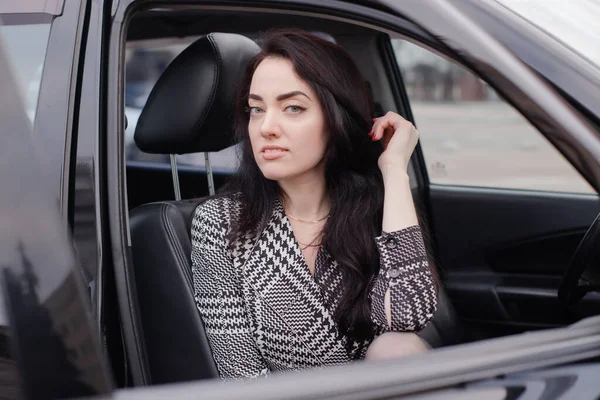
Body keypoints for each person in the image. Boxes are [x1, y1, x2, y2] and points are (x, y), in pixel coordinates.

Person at [191, 29, 438, 380]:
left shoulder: (375, 205)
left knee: (397, 348)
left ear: (336, 117)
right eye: (256, 109)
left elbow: (406, 318)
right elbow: (242, 375)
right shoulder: (222, 222)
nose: (266, 127)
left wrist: (395, 170)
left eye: (293, 108)